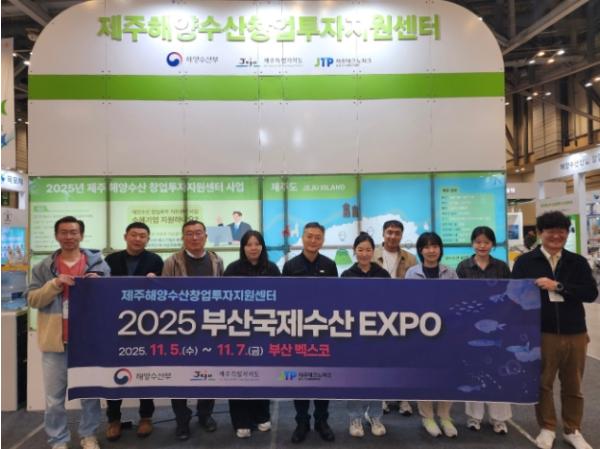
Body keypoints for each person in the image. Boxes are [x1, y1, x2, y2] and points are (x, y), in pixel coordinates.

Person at [512, 211, 597, 449]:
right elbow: (515, 295)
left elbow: (590, 293)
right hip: (542, 331)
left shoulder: (577, 262)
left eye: (562, 232)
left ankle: (573, 429)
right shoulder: (525, 262)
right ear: (540, 233)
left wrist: (558, 286)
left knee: (573, 385)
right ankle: (547, 427)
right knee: (543, 383)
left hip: (575, 331)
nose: (557, 236)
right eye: (551, 231)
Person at [26, 216, 111, 449]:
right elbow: (33, 299)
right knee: (54, 398)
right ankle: (58, 439)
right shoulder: (43, 267)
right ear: (56, 236)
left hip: (88, 341)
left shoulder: (98, 265)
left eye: (73, 232)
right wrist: (54, 284)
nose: (69, 237)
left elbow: (110, 300)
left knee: (89, 394)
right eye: (64, 232)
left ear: (81, 235)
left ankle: (89, 435)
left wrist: (99, 284)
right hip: (55, 342)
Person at [162, 220, 224, 441]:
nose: (194, 237)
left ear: (206, 236)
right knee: (178, 377)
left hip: (209, 327)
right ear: (183, 237)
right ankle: (182, 420)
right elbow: (164, 296)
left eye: (198, 233)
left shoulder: (216, 260)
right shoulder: (172, 262)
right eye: (189, 234)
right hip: (180, 328)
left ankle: (205, 414)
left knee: (208, 374)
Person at [104, 222, 164, 441]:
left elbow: (163, 292)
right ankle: (113, 419)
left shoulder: (155, 260)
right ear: (125, 236)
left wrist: (155, 282)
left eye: (142, 236)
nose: (138, 239)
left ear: (148, 239)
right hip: (116, 323)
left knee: (145, 371)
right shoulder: (110, 260)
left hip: (145, 323)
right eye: (134, 235)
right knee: (114, 372)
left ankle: (146, 417)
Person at [282, 222, 338, 444]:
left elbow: (335, 299)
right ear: (303, 238)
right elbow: (284, 300)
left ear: (322, 240)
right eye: (309, 236)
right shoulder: (291, 266)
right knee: (300, 379)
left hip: (323, 331)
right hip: (298, 332)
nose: (313, 240)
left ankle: (322, 421)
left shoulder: (330, 265)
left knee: (324, 378)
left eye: (317, 237)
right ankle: (302, 422)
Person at [224, 230, 280, 438]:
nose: (253, 248)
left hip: (264, 330)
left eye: (257, 244)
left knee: (262, 374)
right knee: (238, 376)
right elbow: (224, 299)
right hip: (238, 331)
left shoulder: (272, 269)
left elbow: (281, 298)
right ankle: (241, 420)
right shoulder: (233, 269)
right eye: (249, 244)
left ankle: (261, 415)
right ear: (243, 248)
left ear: (262, 247)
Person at [456, 226, 512, 435]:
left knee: (498, 369)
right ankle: (474, 416)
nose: (482, 246)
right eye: (478, 242)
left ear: (492, 245)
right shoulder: (463, 267)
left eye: (486, 242)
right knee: (474, 370)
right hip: (471, 326)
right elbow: (458, 298)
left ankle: (499, 419)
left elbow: (509, 295)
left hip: (497, 325)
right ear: (472, 244)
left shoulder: (501, 267)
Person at [405, 232, 458, 438]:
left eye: (435, 246)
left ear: (440, 249)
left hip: (447, 330)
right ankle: (427, 416)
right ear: (421, 250)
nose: (431, 250)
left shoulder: (450, 273)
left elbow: (457, 301)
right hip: (421, 330)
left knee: (447, 373)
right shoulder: (412, 273)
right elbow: (407, 302)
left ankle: (445, 416)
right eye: (426, 247)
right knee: (424, 373)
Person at [341, 232, 390, 438]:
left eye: (368, 250)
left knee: (377, 375)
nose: (364, 253)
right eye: (360, 250)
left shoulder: (383, 274)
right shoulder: (346, 275)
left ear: (373, 251)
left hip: (379, 332)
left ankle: (375, 415)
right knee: (355, 376)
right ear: (354, 251)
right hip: (354, 334)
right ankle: (355, 417)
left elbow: (391, 303)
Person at [372, 220, 417, 416]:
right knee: (379, 357)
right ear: (383, 234)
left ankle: (403, 398)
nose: (393, 236)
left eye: (397, 233)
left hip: (402, 314)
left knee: (402, 357)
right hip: (377, 313)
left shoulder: (410, 258)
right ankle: (381, 397)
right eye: (389, 232)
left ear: (401, 235)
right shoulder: (372, 254)